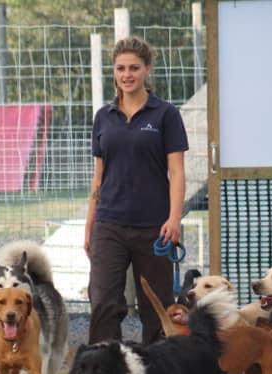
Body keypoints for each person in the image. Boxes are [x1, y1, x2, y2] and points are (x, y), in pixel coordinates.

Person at [84, 35, 188, 345]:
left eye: (134, 68)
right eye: (120, 68)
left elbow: (177, 171)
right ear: (113, 72)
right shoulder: (103, 117)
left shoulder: (166, 114)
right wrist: (90, 224)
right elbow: (98, 177)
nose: (126, 75)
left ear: (146, 70)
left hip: (154, 227)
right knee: (103, 301)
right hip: (109, 225)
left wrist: (174, 218)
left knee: (156, 308)